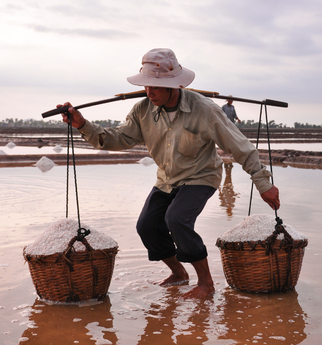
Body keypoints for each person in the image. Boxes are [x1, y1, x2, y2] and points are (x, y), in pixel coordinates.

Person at [57, 48, 280, 300]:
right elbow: (118, 138)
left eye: (155, 86)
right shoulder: (143, 110)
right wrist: (82, 125)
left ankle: (206, 283)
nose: (149, 92)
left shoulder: (205, 110)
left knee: (177, 219)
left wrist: (263, 183)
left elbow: (240, 147)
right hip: (167, 178)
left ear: (174, 86)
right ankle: (178, 272)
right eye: (146, 86)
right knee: (147, 226)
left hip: (200, 175)